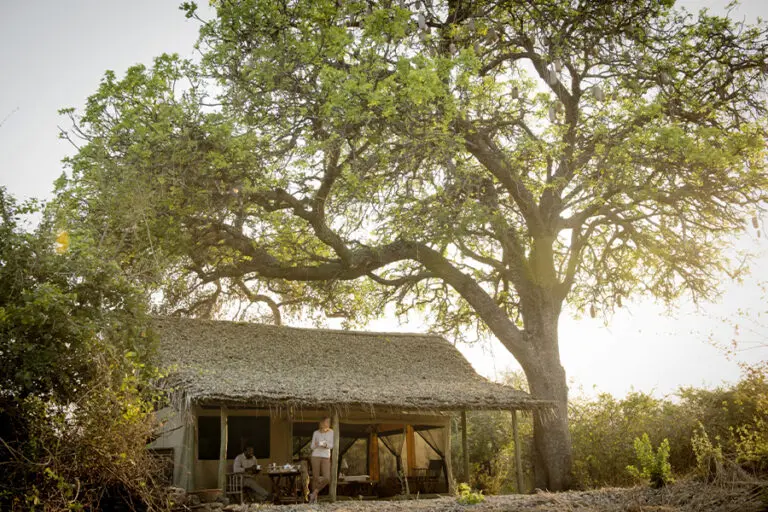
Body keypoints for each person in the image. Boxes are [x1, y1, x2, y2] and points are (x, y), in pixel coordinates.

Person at [309, 416, 334, 503]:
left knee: (327, 478)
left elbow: (331, 446)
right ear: (322, 423)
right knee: (315, 477)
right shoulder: (316, 433)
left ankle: (315, 492)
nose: (328, 424)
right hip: (315, 455)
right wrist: (316, 444)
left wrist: (325, 445)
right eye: (327, 422)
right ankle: (314, 499)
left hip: (326, 456)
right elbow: (312, 447)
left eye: (329, 422)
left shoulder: (331, 432)